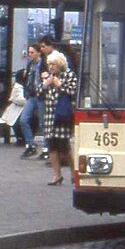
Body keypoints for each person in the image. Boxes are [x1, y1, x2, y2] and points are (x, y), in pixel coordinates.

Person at [39, 50, 77, 186]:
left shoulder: (69, 75)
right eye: (49, 65)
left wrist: (59, 84)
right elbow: (38, 92)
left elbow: (73, 92)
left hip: (62, 115)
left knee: (65, 146)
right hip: (50, 116)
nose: (51, 67)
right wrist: (45, 84)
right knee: (52, 146)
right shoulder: (48, 76)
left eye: (53, 65)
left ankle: (74, 173)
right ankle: (57, 175)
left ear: (60, 64)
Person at [14, 44, 42, 158]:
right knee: (23, 120)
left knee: (44, 122)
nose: (30, 55)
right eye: (29, 52)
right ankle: (31, 145)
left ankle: (46, 148)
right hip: (31, 95)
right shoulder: (30, 64)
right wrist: (26, 93)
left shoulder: (43, 64)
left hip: (41, 95)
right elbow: (28, 80)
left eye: (32, 52)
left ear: (38, 53)